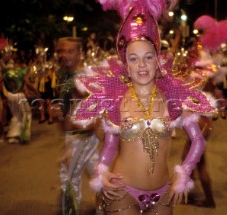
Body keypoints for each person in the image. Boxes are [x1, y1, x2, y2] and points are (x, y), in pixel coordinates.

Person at [71, 1, 217, 214]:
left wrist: (184, 171)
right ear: (126, 65)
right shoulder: (114, 100)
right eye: (134, 58)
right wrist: (102, 170)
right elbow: (110, 146)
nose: (141, 65)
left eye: (148, 57)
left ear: (157, 61)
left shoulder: (175, 98)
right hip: (122, 191)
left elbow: (198, 140)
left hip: (163, 192)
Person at [55, 37, 100, 215]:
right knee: (92, 179)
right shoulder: (64, 76)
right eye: (61, 51)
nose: (64, 55)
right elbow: (64, 108)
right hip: (73, 138)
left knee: (75, 180)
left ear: (79, 53)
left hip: (85, 137)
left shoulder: (87, 75)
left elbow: (98, 102)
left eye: (70, 51)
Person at [2, 65, 41, 144]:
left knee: (16, 115)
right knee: (27, 114)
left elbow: (2, 83)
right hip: (19, 95)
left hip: (10, 95)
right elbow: (28, 83)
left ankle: (13, 135)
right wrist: (36, 92)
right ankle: (24, 136)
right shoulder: (21, 73)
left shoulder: (7, 73)